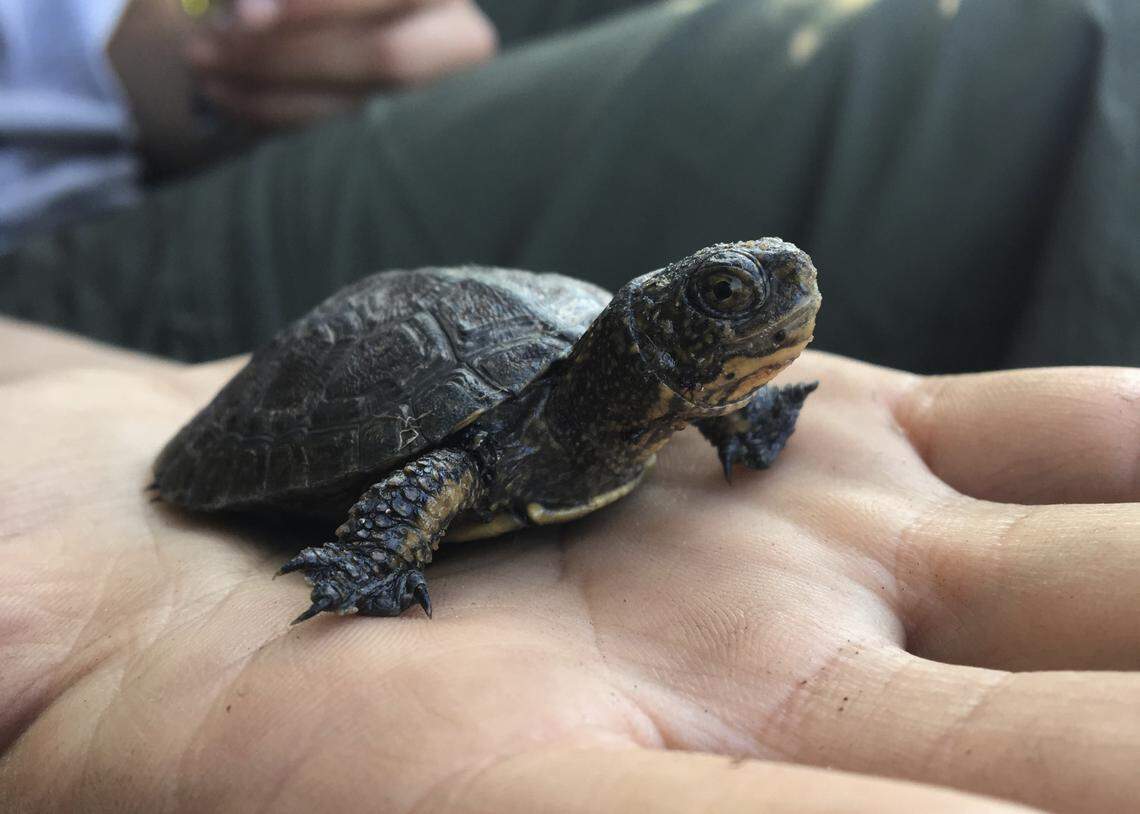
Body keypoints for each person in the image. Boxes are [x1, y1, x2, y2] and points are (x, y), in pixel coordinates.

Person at [1, 317, 1138, 812]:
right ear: (654, 333)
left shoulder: (633, 399)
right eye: (724, 300)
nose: (779, 291)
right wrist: (376, 550)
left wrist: (735, 420)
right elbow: (439, 470)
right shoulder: (510, 441)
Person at [1, 0, 1137, 372]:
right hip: (41, 308)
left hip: (142, 109)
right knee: (1053, 58)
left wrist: (192, 41)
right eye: (728, 297)